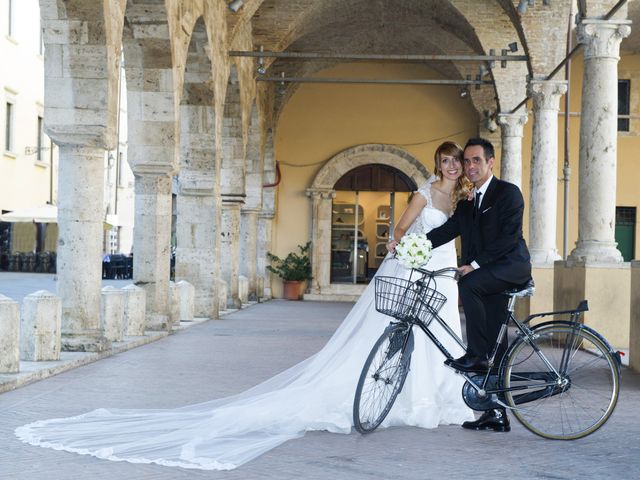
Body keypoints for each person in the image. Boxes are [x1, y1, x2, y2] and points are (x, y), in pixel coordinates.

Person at [15, 142, 474, 471]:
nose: (452, 168)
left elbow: (459, 230)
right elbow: (399, 230)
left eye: (457, 164)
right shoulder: (422, 191)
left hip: (445, 273)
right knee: (393, 333)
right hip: (414, 268)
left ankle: (434, 395)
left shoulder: (459, 197)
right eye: (447, 162)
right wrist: (400, 249)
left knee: (439, 333)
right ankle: (394, 394)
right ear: (438, 164)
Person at [426, 137, 532, 433]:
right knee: (499, 342)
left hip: (510, 266)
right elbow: (448, 230)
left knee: (469, 283)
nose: (470, 166)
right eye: (467, 161)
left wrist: (474, 265)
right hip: (491, 274)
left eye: (476, 160)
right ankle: (495, 414)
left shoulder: (507, 193)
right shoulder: (469, 201)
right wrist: (414, 245)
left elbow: (508, 239)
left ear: (490, 162)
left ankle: (475, 355)